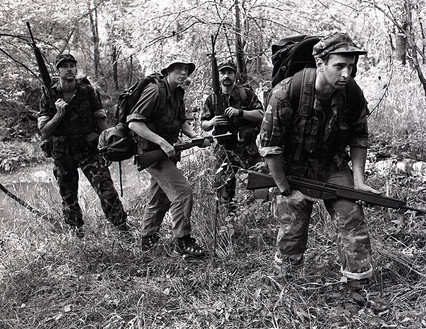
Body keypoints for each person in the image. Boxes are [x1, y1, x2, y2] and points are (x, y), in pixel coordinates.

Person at [258, 32, 379, 281]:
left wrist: (358, 181)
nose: (346, 74)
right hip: (292, 170)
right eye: (339, 66)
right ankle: (287, 283)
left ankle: (359, 283)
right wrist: (286, 189)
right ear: (320, 64)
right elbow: (271, 148)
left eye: (351, 67)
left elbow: (358, 138)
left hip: (332, 165)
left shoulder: (352, 94)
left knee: (352, 218)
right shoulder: (285, 93)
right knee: (293, 226)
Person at [38, 53, 129, 238]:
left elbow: (100, 121)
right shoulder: (48, 95)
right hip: (63, 154)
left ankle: (123, 230)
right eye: (65, 66)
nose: (70, 68)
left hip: (88, 150)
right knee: (69, 199)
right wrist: (58, 114)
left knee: (107, 190)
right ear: (59, 70)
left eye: (72, 65)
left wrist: (107, 146)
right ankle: (77, 236)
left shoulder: (87, 91)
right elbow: (45, 132)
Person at [127, 59, 207, 256]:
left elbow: (181, 123)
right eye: (179, 69)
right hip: (153, 154)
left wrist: (196, 137)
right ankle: (183, 241)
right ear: (168, 71)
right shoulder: (155, 91)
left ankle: (148, 239)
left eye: (186, 70)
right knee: (183, 192)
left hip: (167, 153)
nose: (183, 73)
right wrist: (162, 142)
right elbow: (134, 124)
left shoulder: (178, 92)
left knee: (160, 197)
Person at [201, 61, 264, 210]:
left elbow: (262, 114)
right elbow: (203, 125)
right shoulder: (212, 99)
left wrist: (240, 112)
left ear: (235, 75)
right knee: (222, 184)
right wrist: (212, 122)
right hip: (223, 148)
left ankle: (260, 211)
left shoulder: (245, 93)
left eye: (230, 73)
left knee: (260, 177)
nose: (226, 76)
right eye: (223, 73)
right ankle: (227, 216)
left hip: (246, 146)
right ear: (219, 77)